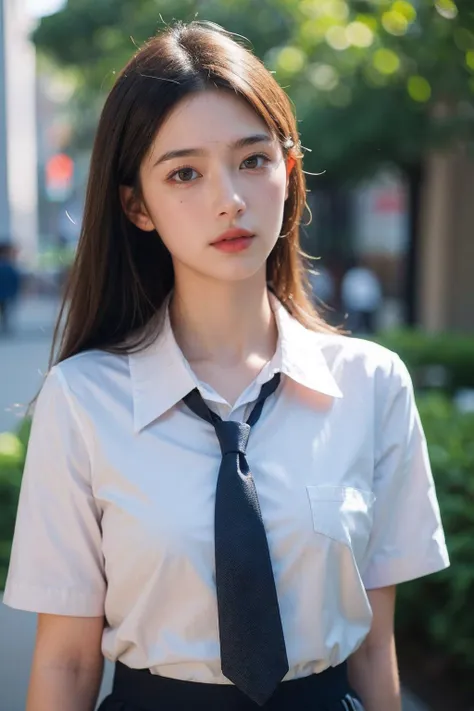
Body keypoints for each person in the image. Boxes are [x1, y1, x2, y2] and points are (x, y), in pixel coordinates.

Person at [3, 21, 449, 711]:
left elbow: (374, 643)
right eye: (185, 172)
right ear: (136, 205)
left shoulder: (372, 384)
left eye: (252, 159)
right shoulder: (84, 399)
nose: (229, 200)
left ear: (288, 168)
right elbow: (64, 662)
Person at [340, 259, 383, 335]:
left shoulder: (369, 274)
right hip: (355, 304)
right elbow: (348, 288)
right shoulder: (352, 274)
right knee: (354, 325)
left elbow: (374, 288)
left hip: (367, 304)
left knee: (368, 326)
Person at [0, 240, 21, 334]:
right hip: (7, 294)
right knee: (5, 311)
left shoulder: (8, 266)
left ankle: (5, 325)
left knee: (4, 311)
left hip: (5, 293)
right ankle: (5, 325)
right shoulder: (10, 266)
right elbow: (15, 280)